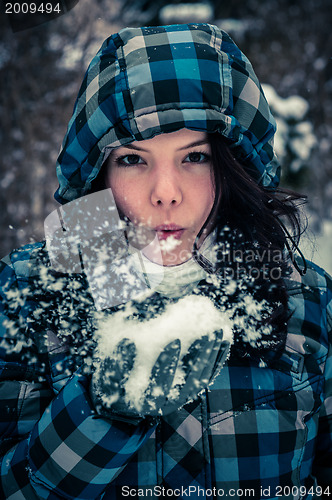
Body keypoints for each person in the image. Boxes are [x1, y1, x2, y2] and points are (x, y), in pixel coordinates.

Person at [0, 23, 331, 499]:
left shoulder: (306, 298)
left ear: (235, 163)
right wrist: (101, 413)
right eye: (133, 160)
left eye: (194, 157)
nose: (166, 193)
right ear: (98, 171)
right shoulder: (31, 291)